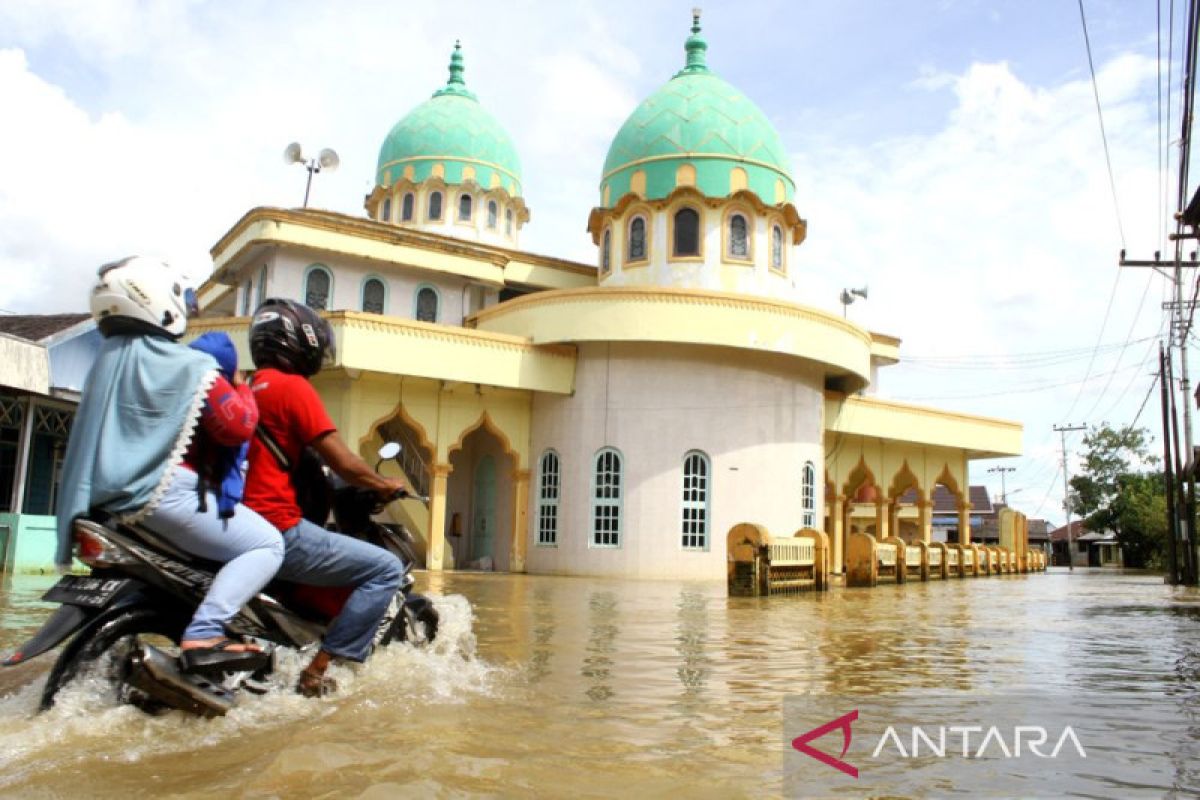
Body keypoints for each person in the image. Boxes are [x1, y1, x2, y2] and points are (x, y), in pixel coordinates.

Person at [56, 256, 285, 674]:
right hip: (160, 494)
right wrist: (246, 391)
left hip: (106, 500)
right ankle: (206, 632)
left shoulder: (109, 361)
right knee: (266, 545)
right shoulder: (188, 367)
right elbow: (236, 426)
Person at [243, 297, 407, 697]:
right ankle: (318, 669)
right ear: (301, 341)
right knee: (385, 569)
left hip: (243, 526)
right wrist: (383, 484)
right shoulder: (292, 388)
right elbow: (345, 463)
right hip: (278, 526)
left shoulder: (251, 387)